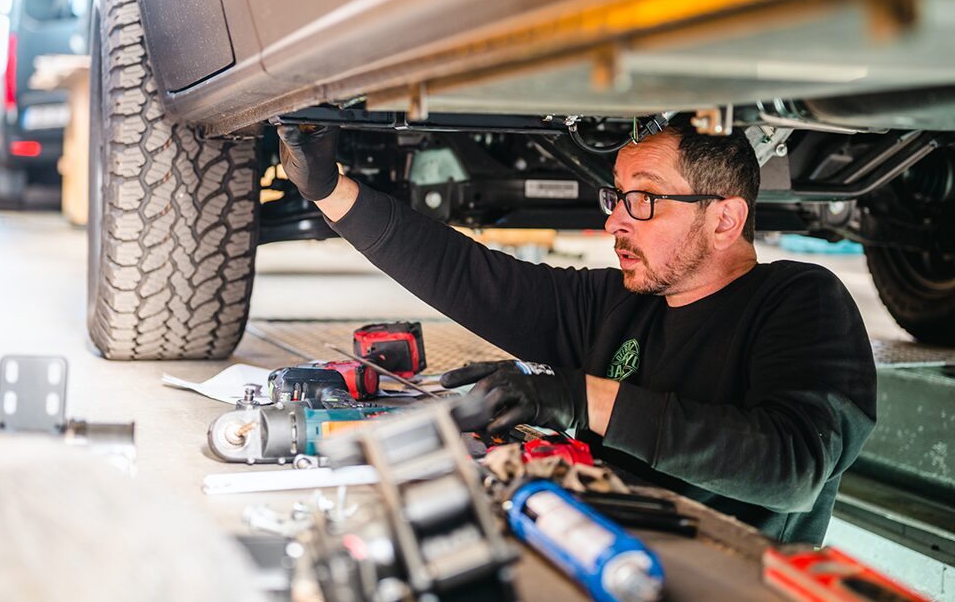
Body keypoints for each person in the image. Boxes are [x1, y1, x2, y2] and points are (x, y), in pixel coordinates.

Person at [278, 119, 876, 544]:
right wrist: (328, 189)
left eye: (644, 198)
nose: (616, 220)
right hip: (589, 554)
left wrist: (577, 397)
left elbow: (793, 468)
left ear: (725, 218)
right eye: (617, 196)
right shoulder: (617, 303)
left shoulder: (799, 300)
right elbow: (473, 279)